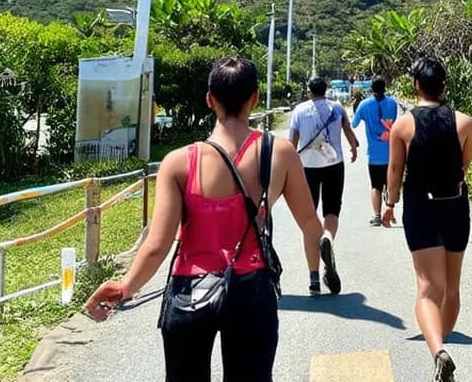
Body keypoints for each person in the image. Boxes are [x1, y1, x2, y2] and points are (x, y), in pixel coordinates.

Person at [83, 57, 323, 382]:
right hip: (252, 291)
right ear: (254, 98)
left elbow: (157, 244)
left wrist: (126, 287)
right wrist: (317, 269)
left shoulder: (179, 162)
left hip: (189, 292)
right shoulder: (280, 153)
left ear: (209, 99)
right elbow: (309, 223)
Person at [381, 57, 472, 382]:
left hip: (421, 207)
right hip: (455, 206)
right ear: (444, 85)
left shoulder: (403, 126)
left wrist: (390, 203)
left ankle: (438, 351)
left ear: (416, 85)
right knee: (451, 288)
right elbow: (463, 168)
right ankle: (442, 348)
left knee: (427, 289)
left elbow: (395, 170)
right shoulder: (465, 123)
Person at [289, 76, 360, 295]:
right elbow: (348, 130)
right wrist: (353, 148)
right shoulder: (337, 108)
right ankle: (327, 237)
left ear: (309, 91)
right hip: (334, 164)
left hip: (307, 167)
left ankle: (314, 280)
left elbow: (292, 143)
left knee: (309, 218)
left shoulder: (299, 110)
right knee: (332, 209)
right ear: (325, 89)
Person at [351, 75, 398, 226]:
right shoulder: (393, 103)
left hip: (374, 154)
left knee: (376, 186)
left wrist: (356, 109)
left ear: (371, 88)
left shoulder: (364, 105)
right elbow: (395, 123)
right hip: (391, 152)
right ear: (385, 87)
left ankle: (377, 215)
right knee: (390, 185)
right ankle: (390, 212)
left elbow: (354, 124)